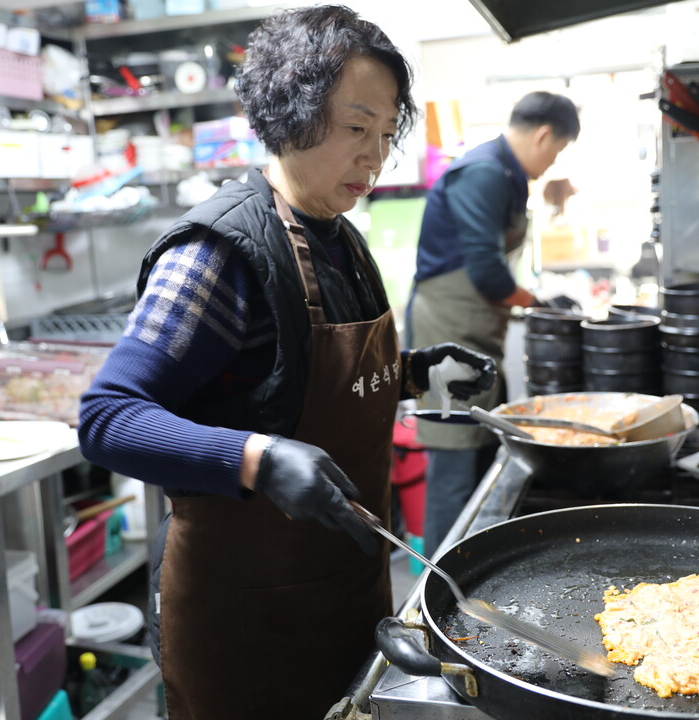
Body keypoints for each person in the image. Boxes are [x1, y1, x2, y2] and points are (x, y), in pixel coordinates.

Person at [77, 7, 496, 719]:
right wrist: (259, 459)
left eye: (386, 133)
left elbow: (295, 380)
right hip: (243, 625)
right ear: (288, 116)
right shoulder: (217, 255)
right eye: (356, 128)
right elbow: (107, 418)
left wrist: (417, 371)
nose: (374, 155)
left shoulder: (339, 239)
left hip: (344, 598)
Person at [408, 91, 581, 557]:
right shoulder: (483, 172)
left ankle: (471, 565)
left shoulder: (506, 173)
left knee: (481, 455)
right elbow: (485, 271)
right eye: (557, 150)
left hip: (475, 331)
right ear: (544, 135)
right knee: (455, 460)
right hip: (447, 334)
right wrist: (537, 303)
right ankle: (433, 585)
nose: (551, 162)